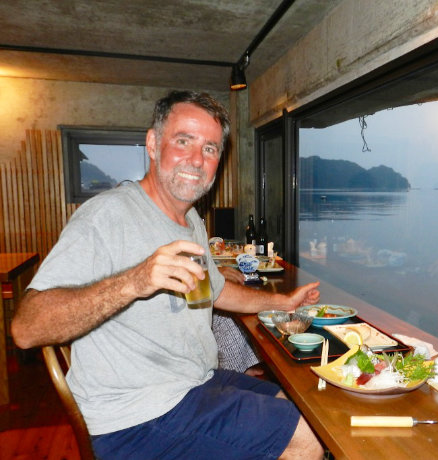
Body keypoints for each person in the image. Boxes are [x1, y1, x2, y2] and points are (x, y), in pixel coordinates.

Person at [11, 90, 324, 459]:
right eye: (183, 141)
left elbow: (218, 292)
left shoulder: (191, 219)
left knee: (304, 404)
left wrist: (283, 301)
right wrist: (136, 281)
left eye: (210, 148)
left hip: (194, 384)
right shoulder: (107, 215)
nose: (196, 159)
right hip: (136, 419)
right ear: (153, 143)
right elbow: (26, 329)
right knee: (306, 439)